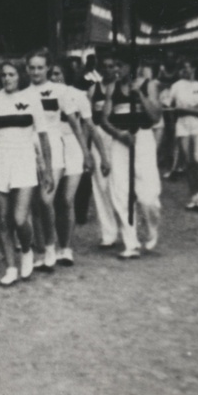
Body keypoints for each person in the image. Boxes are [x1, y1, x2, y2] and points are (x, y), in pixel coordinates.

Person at [0, 59, 53, 285]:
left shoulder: (32, 99)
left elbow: (43, 138)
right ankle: (11, 267)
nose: (7, 79)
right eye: (3, 75)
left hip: (24, 161)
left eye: (11, 75)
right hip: (1, 160)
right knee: (3, 221)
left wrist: (48, 170)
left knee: (20, 218)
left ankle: (26, 249)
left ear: (20, 76)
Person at [100, 49, 163, 257]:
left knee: (148, 195)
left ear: (131, 66)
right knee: (120, 191)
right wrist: (119, 134)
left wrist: (140, 95)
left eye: (121, 65)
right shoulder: (111, 88)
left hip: (143, 139)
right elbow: (104, 119)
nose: (117, 70)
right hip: (121, 141)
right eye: (115, 65)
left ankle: (152, 229)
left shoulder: (149, 85)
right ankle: (131, 242)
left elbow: (155, 117)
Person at [25, 48, 69, 271]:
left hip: (53, 148)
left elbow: (74, 120)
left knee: (45, 200)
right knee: (33, 203)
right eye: (31, 67)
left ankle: (52, 246)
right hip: (28, 148)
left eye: (40, 67)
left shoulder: (59, 90)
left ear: (48, 68)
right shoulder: (23, 92)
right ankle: (40, 250)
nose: (35, 71)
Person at [47, 62, 94, 266]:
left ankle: (66, 247)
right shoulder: (42, 94)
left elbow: (84, 125)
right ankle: (52, 244)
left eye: (57, 72)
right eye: (51, 73)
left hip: (73, 146)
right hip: (52, 146)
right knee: (52, 199)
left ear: (65, 74)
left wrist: (86, 152)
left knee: (66, 200)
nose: (53, 76)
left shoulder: (76, 95)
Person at [86, 51, 125, 249]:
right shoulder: (94, 90)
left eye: (113, 66)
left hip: (120, 137)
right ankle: (109, 233)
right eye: (105, 66)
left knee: (121, 185)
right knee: (101, 186)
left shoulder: (123, 88)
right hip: (100, 138)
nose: (109, 70)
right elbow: (89, 121)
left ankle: (127, 228)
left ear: (118, 67)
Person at [170, 57, 198, 211]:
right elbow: (169, 106)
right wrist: (195, 109)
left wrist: (185, 109)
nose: (186, 70)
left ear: (195, 68)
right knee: (188, 162)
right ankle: (193, 195)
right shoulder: (176, 86)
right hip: (183, 126)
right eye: (184, 67)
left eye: (189, 67)